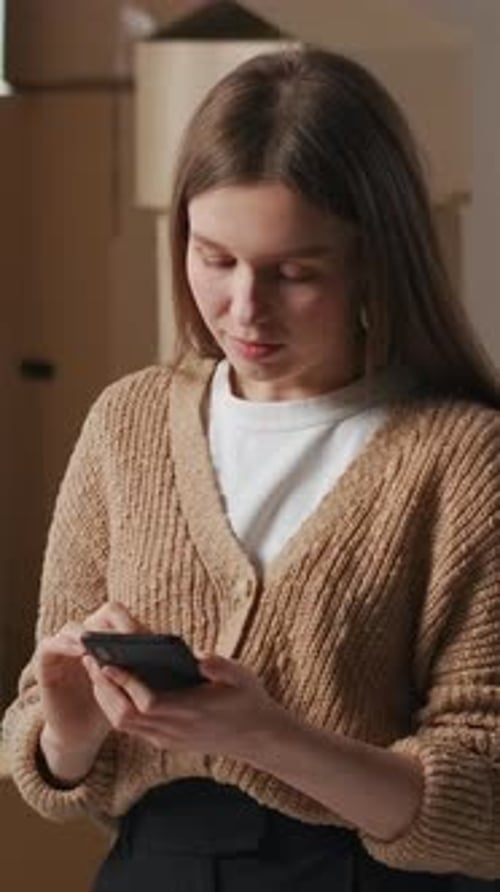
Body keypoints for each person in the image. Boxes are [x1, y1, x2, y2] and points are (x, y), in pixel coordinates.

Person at [2, 47, 500, 891]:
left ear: (377, 259)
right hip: (150, 869)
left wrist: (263, 735)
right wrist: (70, 727)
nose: (243, 308)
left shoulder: (463, 458)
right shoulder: (129, 423)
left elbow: (487, 798)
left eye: (294, 273)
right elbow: (44, 749)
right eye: (214, 257)